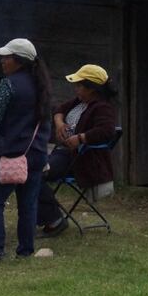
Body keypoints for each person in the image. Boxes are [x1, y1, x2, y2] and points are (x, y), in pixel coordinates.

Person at [0, 38, 51, 263]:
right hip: (35, 152)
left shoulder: (9, 84)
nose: (2, 61)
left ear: (19, 61)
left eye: (7, 57)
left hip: (8, 153)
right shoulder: (41, 85)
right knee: (28, 203)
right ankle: (25, 250)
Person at [38, 64, 118, 237]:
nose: (76, 89)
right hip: (64, 153)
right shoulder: (79, 102)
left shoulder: (101, 108)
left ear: (92, 89)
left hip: (81, 159)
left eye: (80, 86)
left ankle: (54, 220)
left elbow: (106, 130)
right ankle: (48, 217)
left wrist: (81, 138)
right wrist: (59, 123)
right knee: (31, 170)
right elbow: (59, 110)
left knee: (36, 174)